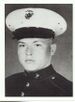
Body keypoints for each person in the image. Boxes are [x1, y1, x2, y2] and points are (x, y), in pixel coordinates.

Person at [5, 8, 72, 96]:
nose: (28, 52)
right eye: (22, 45)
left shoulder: (67, 90)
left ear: (52, 49)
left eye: (37, 45)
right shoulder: (7, 83)